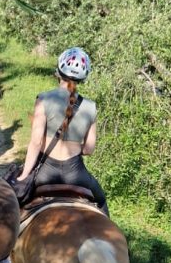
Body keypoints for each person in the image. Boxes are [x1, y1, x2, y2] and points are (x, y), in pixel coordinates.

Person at [17, 47, 109, 215]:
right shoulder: (91, 107)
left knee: (15, 201)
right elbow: (89, 149)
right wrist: (74, 145)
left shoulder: (43, 99)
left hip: (46, 173)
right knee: (101, 200)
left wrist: (24, 175)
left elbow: (36, 143)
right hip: (76, 174)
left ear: (59, 70)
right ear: (84, 77)